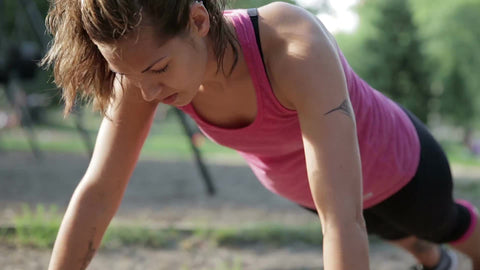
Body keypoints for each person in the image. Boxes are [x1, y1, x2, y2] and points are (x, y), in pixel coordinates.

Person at [41, 1, 480, 269]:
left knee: (439, 226)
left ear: (197, 21)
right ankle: (432, 262)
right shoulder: (142, 68)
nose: (147, 91)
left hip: (401, 170)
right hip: (310, 193)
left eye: (159, 70)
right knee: (397, 235)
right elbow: (98, 192)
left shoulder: (292, 46)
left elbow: (343, 220)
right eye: (127, 74)